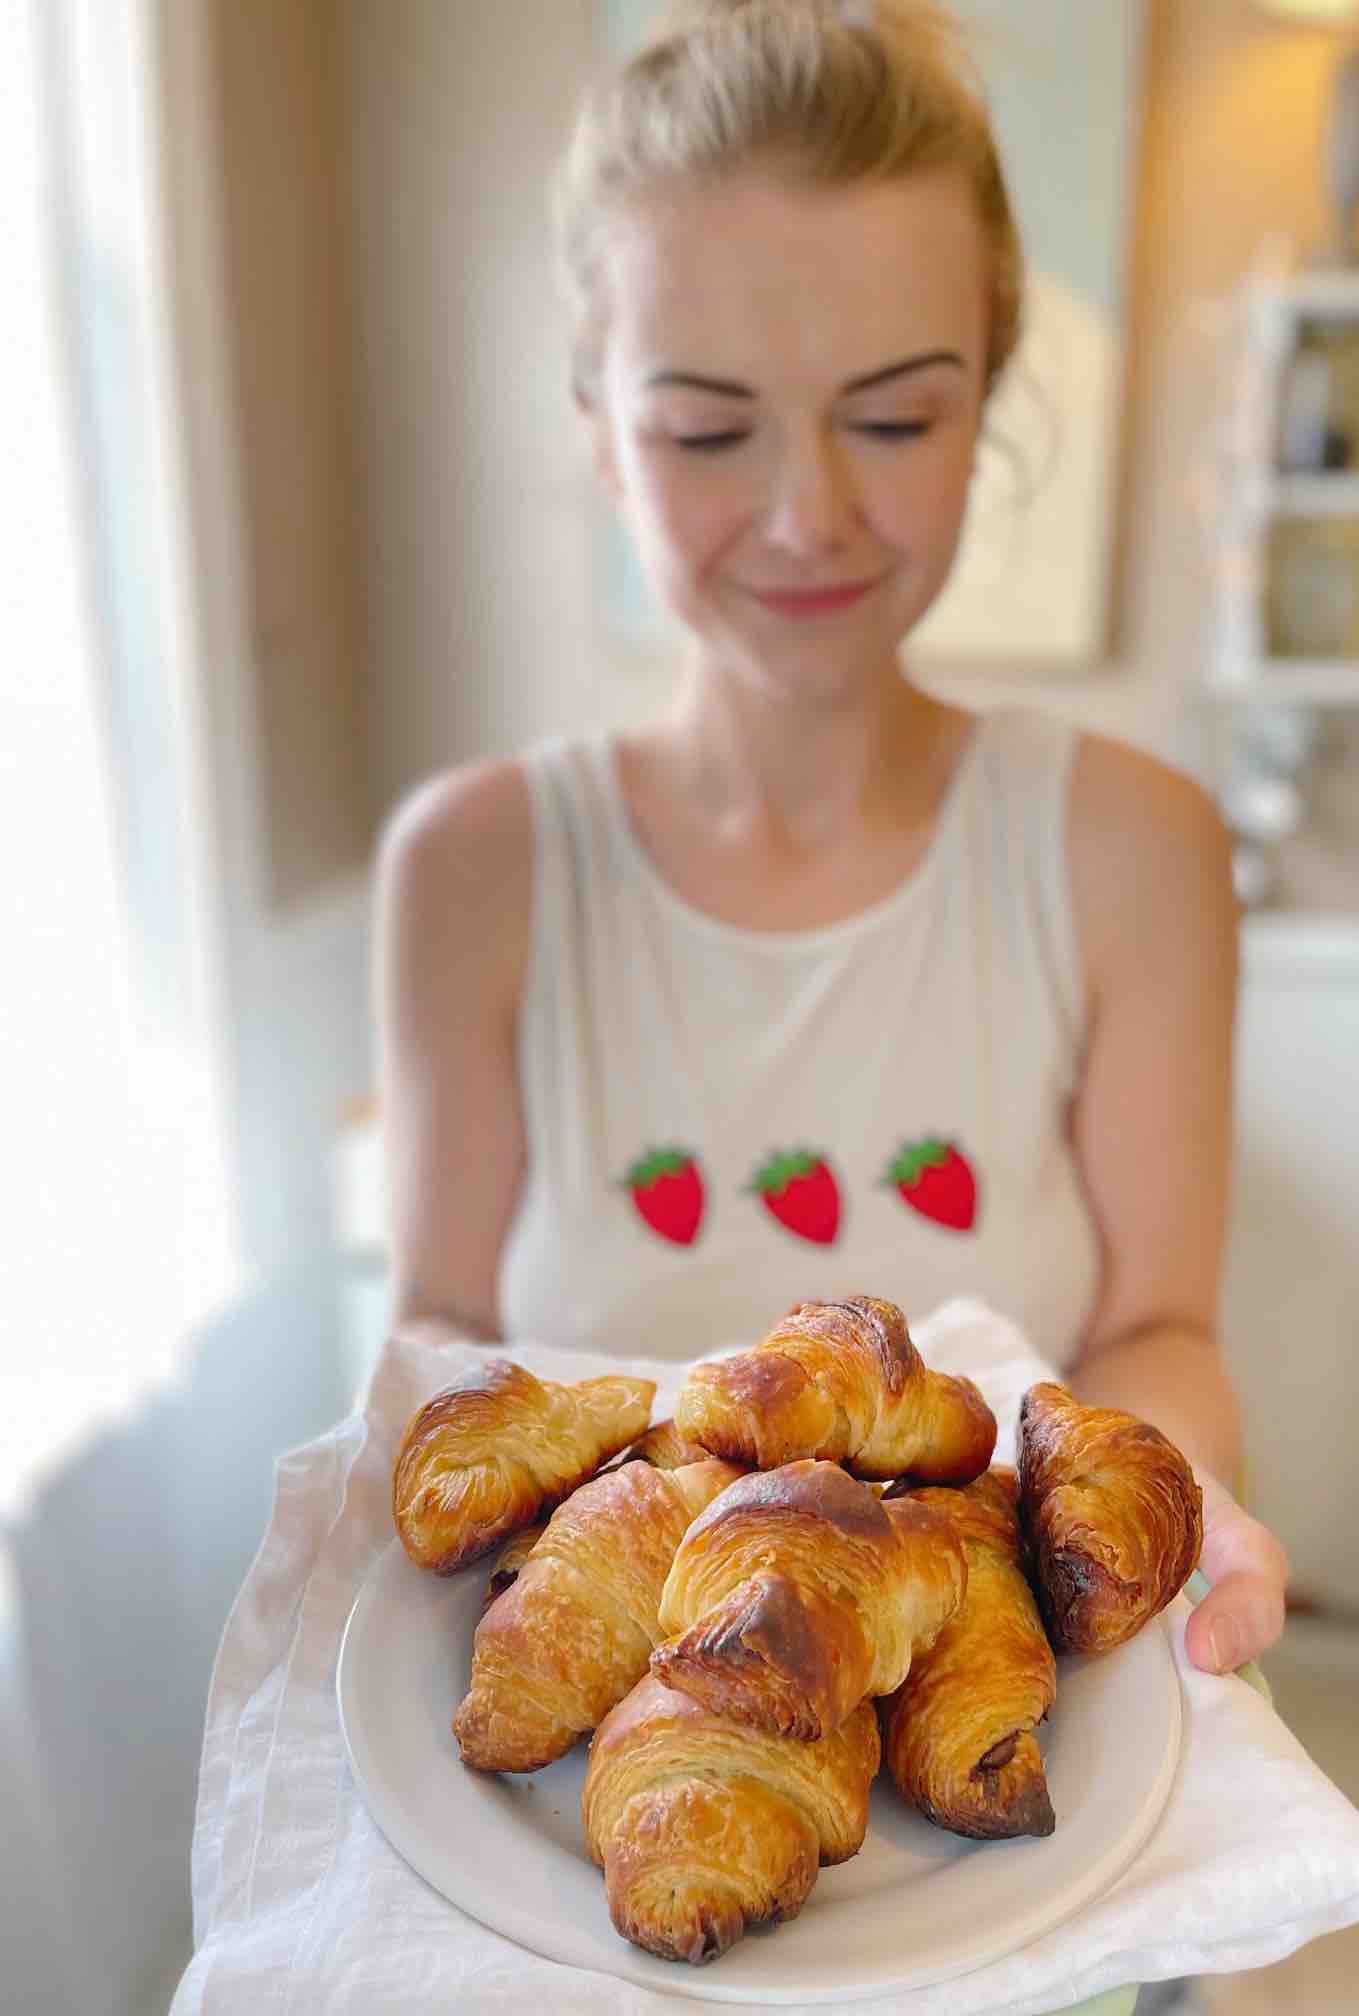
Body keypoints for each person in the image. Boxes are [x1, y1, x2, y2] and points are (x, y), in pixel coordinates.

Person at [374, 0, 1288, 1680]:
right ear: (599, 429)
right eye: (709, 429)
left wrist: (1180, 1490)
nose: (807, 515)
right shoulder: (479, 867)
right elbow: (435, 1325)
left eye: (893, 418)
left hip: (1006, 1759)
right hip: (570, 1788)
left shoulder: (1131, 850)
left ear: (989, 393)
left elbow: (1161, 1329)